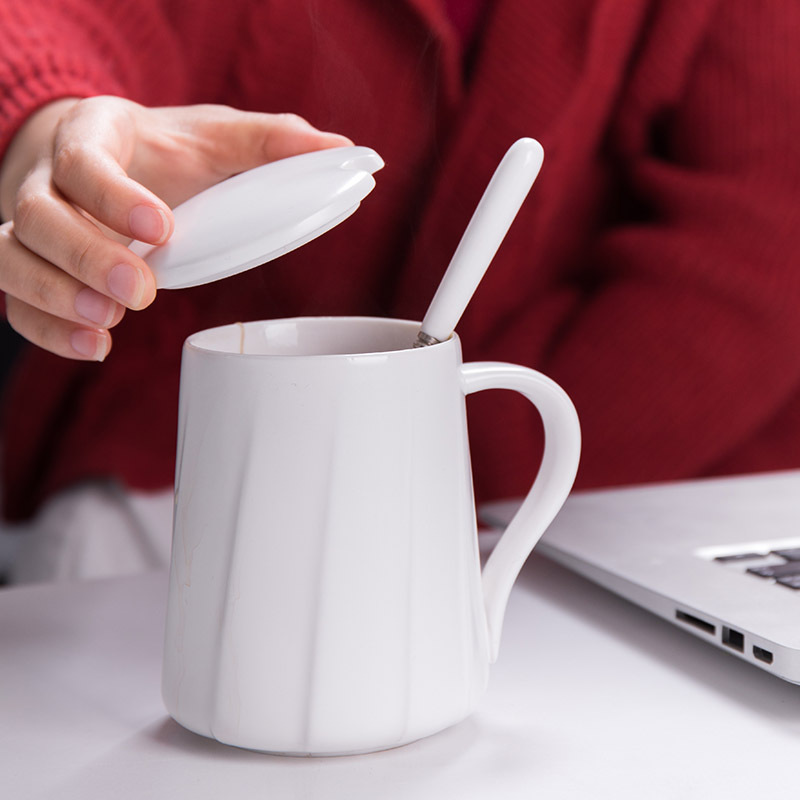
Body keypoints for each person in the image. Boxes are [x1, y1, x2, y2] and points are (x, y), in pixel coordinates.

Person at [1, 0, 799, 581]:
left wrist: (403, 454)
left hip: (613, 521)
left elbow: (752, 267)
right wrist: (47, 119)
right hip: (173, 477)